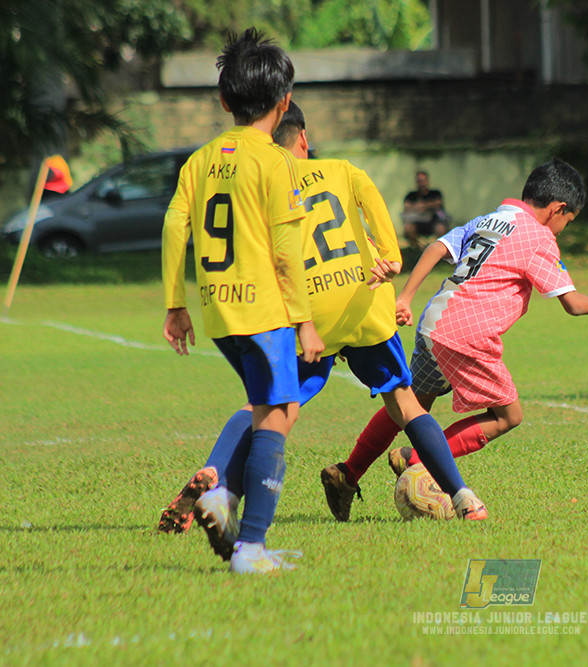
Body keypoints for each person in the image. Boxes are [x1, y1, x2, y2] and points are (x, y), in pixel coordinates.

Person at [158, 102, 487, 555]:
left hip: (306, 308)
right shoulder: (343, 170)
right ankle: (463, 497)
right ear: (304, 140)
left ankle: (218, 475)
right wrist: (390, 259)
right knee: (405, 403)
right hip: (361, 298)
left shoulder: (263, 177)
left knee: (267, 406)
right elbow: (376, 211)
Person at [319, 158, 588, 519]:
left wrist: (405, 296)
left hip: (433, 322)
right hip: (467, 334)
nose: (562, 229)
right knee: (507, 416)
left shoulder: (493, 218)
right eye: (568, 221)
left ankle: (347, 473)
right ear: (557, 209)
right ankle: (418, 459)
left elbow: (437, 247)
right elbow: (573, 304)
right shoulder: (540, 237)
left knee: (408, 406)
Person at [161, 28, 324, 575]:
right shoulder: (275, 163)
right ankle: (250, 547)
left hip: (219, 313)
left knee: (268, 410)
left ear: (225, 101)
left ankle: (223, 498)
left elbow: (174, 224)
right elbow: (285, 252)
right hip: (264, 312)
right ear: (283, 104)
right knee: (279, 416)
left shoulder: (201, 160)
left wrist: (174, 304)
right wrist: (304, 323)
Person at [402, 170, 449, 248]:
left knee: (441, 228)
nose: (421, 183)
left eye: (423, 181)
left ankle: (440, 249)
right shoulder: (411, 195)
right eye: (419, 181)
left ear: (427, 181)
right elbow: (407, 206)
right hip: (417, 222)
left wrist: (422, 205)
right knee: (408, 227)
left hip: (433, 222)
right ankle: (415, 248)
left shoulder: (435, 193)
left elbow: (438, 203)